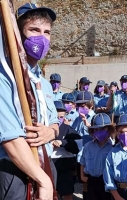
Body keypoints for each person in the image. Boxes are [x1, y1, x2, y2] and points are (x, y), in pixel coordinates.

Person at [0, 3, 59, 200]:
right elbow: (9, 137)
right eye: (34, 30)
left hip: (47, 166)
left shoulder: (44, 83)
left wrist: (49, 132)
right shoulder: (5, 78)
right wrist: (42, 180)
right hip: (16, 171)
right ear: (18, 34)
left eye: (46, 32)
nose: (41, 37)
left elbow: (55, 123)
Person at [51, 100, 82, 200]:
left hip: (65, 166)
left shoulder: (68, 129)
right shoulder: (45, 128)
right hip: (48, 163)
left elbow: (78, 145)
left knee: (66, 192)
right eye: (56, 117)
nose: (58, 120)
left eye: (61, 117)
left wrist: (62, 143)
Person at [80, 113, 114, 200]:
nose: (99, 132)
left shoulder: (113, 147)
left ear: (109, 130)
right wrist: (82, 176)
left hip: (106, 182)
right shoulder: (88, 146)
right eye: (96, 130)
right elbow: (82, 161)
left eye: (103, 129)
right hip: (90, 181)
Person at [72, 90, 95, 199]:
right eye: (79, 105)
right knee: (83, 181)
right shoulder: (77, 119)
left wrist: (88, 124)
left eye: (84, 105)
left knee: (91, 182)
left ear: (90, 105)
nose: (81, 108)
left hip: (91, 155)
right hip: (80, 154)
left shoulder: (95, 118)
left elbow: (99, 135)